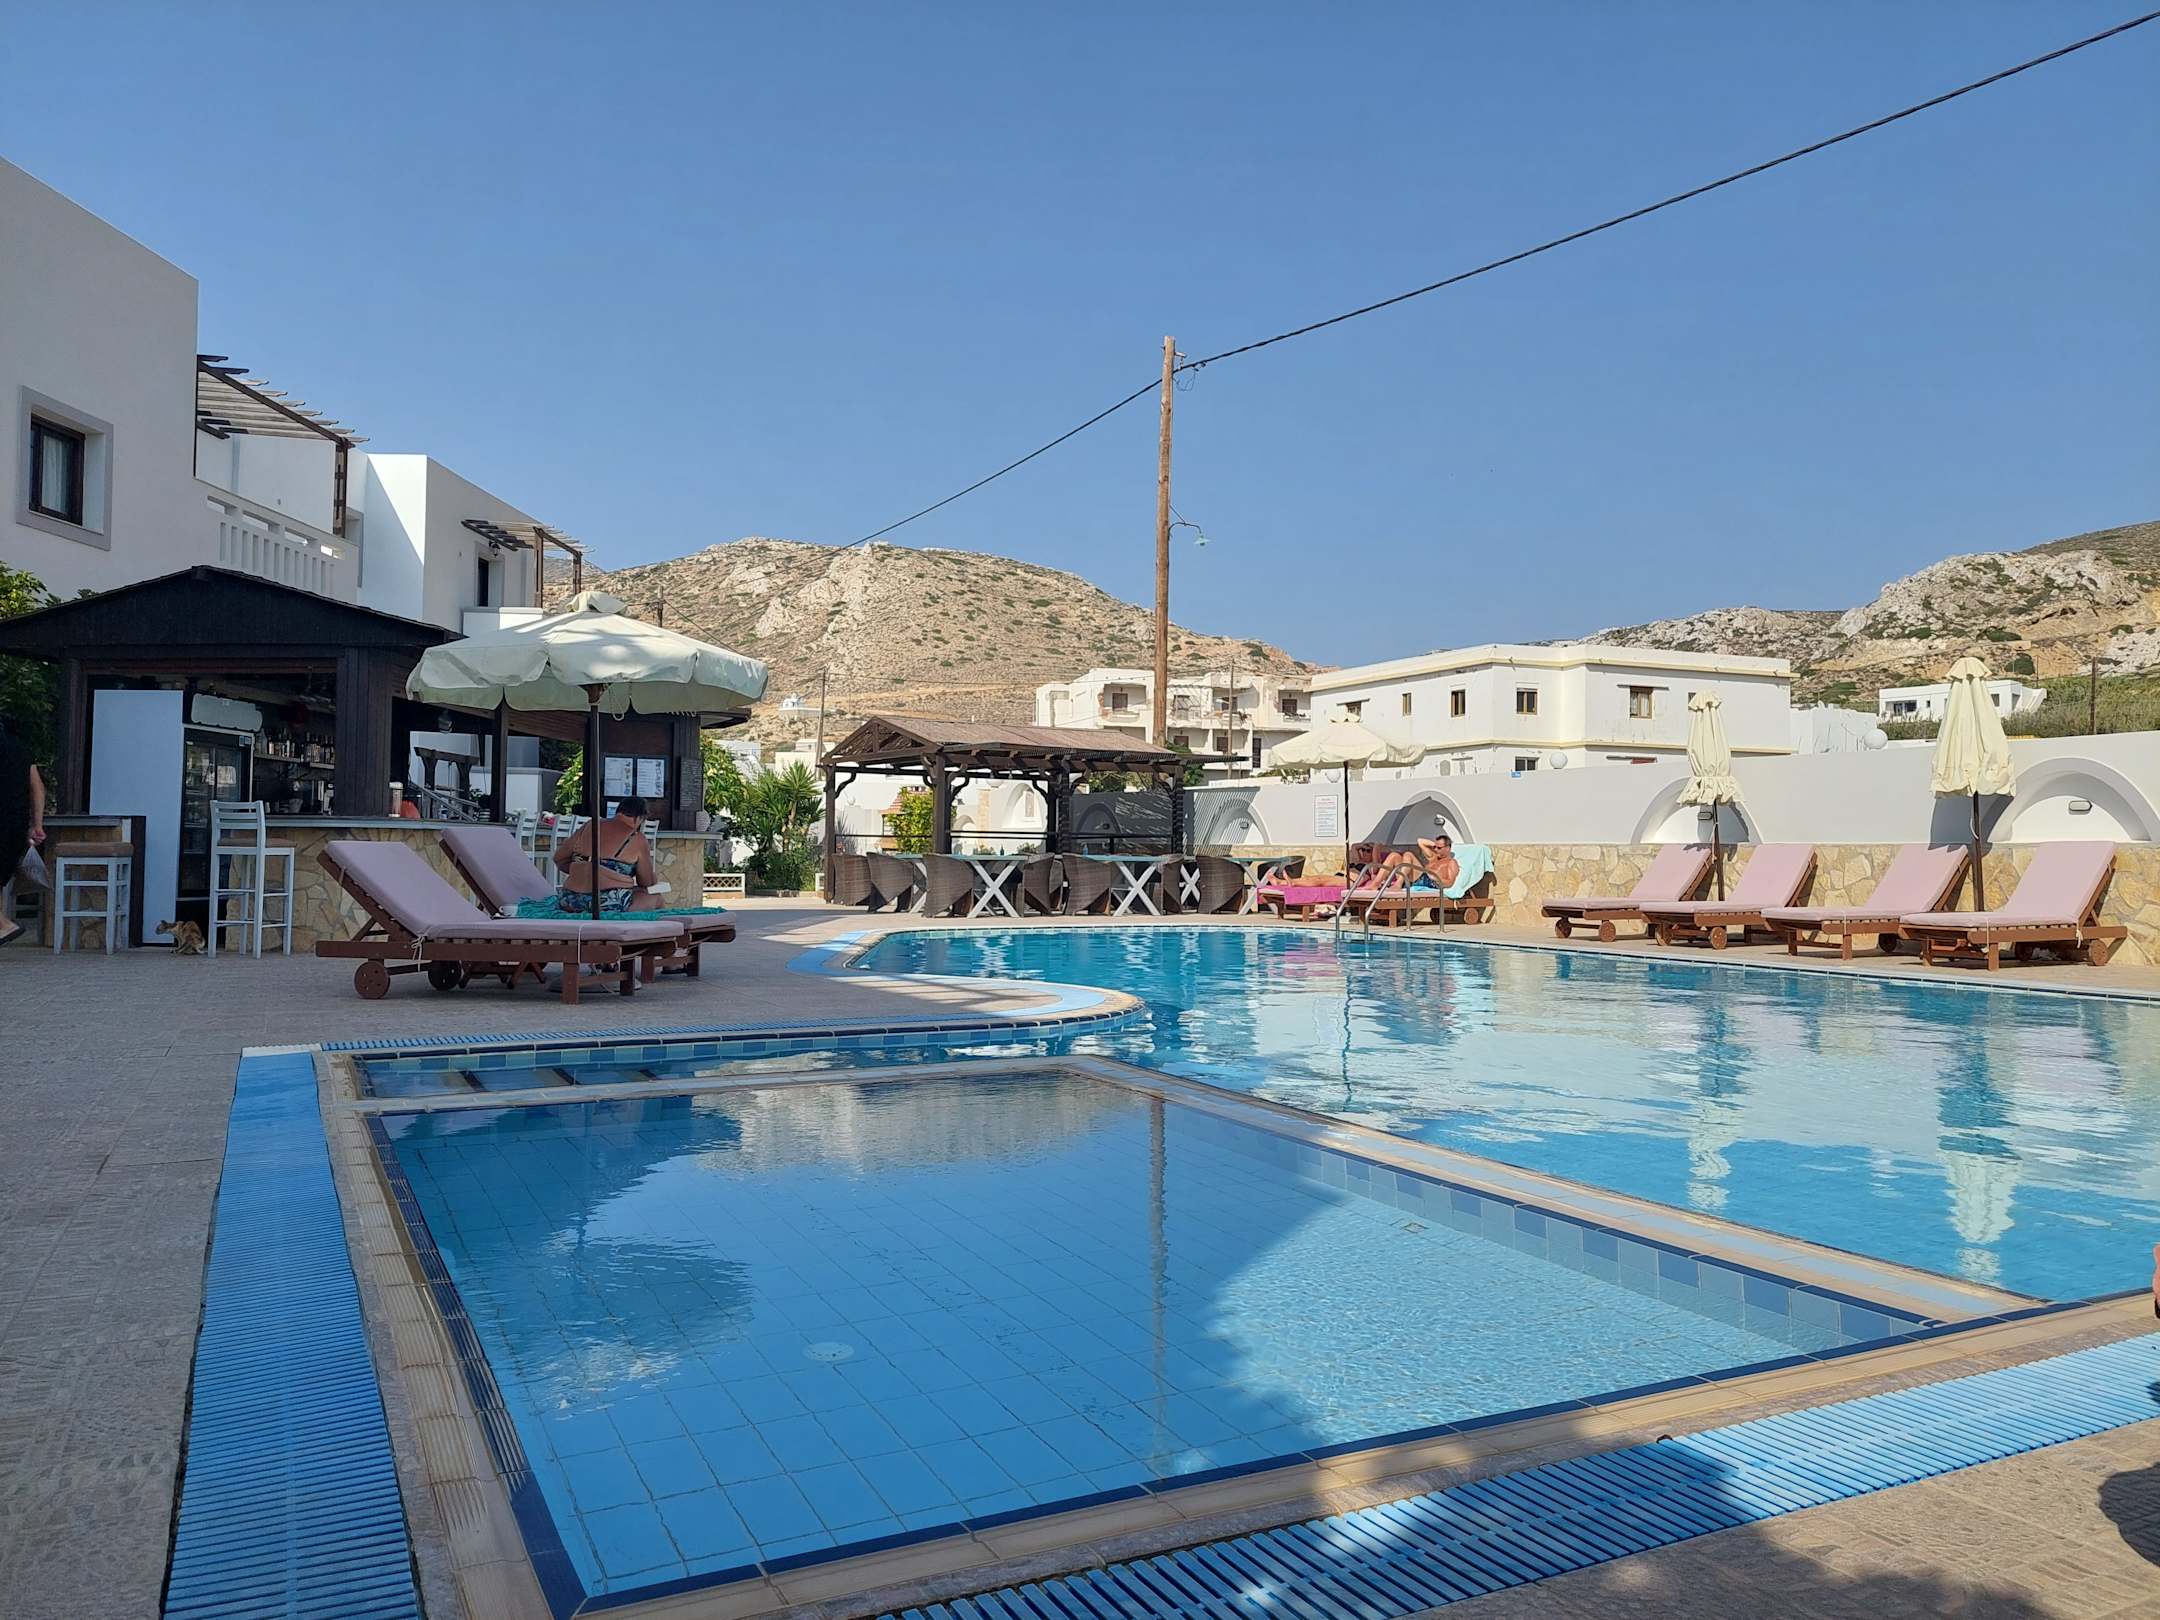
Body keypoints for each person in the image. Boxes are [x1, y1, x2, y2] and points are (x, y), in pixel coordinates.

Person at [551, 795, 659, 913]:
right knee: (656, 899)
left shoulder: (590, 826)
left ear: (618, 811)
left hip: (569, 899)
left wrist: (581, 869)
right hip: (606, 903)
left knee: (637, 892)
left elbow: (559, 858)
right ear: (639, 818)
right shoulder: (637, 838)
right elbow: (646, 881)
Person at [0, 719, 45, 947]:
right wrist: (37, 824)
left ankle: (3, 925)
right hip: (15, 823)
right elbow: (37, 787)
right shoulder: (20, 748)